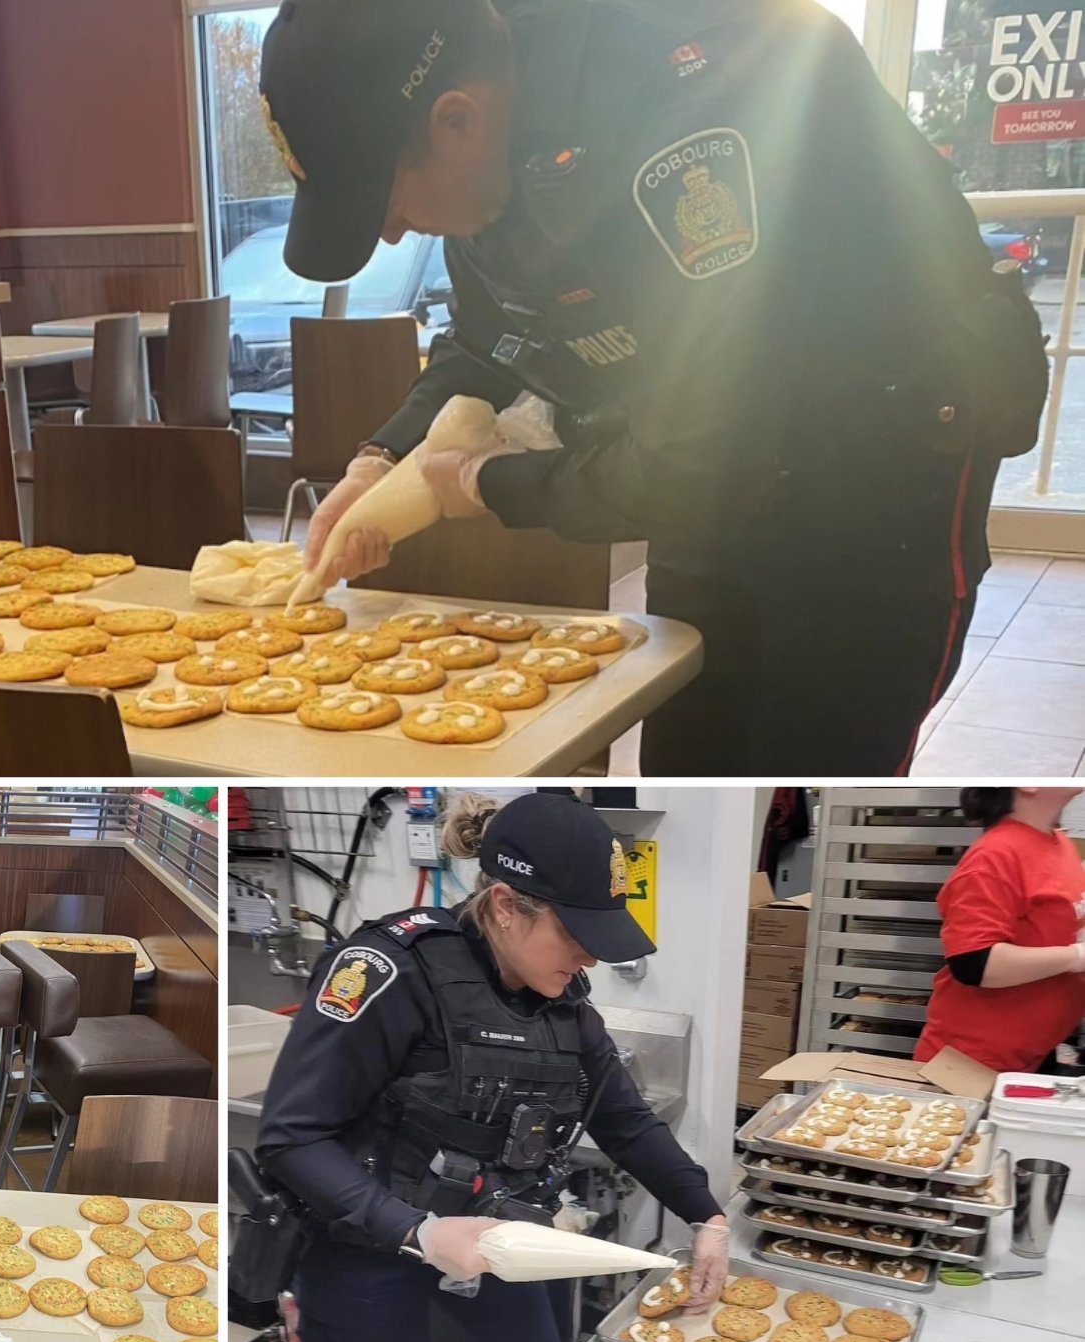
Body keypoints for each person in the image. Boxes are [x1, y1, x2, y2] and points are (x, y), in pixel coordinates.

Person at [258, 0, 1049, 775]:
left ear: (457, 121)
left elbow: (703, 463)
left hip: (878, 456)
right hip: (709, 451)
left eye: (387, 199)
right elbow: (490, 337)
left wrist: (485, 482)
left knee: (810, 753)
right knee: (689, 740)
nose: (392, 232)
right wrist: (379, 459)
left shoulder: (695, 103)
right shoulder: (485, 154)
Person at [257, 792, 729, 1342]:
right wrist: (417, 1229)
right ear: (506, 905)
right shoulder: (389, 971)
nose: (589, 959)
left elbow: (626, 1121)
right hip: (369, 1256)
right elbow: (290, 1139)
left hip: (501, 1249)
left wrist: (707, 1215)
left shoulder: (563, 1002)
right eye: (576, 935)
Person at [916, 787, 1085, 1077]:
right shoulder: (995, 856)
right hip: (972, 1063)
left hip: (1033, 1052)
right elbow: (974, 962)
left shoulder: (1059, 843)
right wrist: (1078, 957)